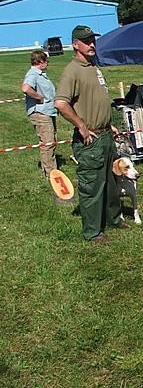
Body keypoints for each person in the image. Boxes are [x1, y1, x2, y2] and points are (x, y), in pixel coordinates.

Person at [54, 25, 123, 243]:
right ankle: (93, 232)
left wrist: (108, 124)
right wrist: (81, 126)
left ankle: (113, 218)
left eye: (93, 40)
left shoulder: (93, 65)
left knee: (112, 181)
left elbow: (95, 99)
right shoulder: (72, 71)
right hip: (90, 139)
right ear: (75, 44)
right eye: (87, 41)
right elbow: (61, 103)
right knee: (92, 186)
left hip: (105, 135)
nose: (92, 44)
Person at [21, 50, 70, 205]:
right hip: (40, 113)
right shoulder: (33, 74)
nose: (48, 64)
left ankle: (50, 169)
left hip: (48, 112)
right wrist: (39, 97)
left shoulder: (40, 74)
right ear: (41, 61)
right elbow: (26, 88)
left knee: (51, 141)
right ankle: (51, 174)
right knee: (47, 143)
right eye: (47, 61)